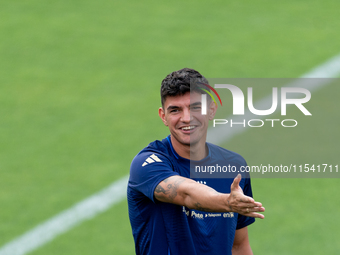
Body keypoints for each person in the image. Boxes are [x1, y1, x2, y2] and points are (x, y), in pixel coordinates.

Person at [127, 68, 265, 255]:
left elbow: (239, 246)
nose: (186, 118)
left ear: (211, 110)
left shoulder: (234, 166)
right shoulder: (147, 163)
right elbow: (186, 193)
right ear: (163, 116)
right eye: (175, 110)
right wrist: (227, 202)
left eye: (195, 107)